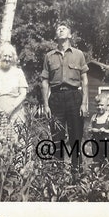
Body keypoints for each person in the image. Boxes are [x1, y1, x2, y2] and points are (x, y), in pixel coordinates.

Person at [41, 21, 89, 173]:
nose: (60, 30)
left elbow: (85, 80)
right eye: (58, 29)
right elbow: (44, 82)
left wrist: (84, 103)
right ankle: (58, 176)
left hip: (74, 97)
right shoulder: (49, 56)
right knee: (57, 139)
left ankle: (77, 175)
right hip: (55, 98)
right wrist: (46, 105)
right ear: (56, 36)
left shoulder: (79, 54)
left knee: (76, 137)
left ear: (69, 35)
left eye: (64, 29)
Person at [0, 42, 28, 128]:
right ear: (0, 56)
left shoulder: (18, 72)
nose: (7, 59)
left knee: (15, 139)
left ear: (13, 58)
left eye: (10, 56)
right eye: (5, 56)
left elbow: (23, 94)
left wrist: (11, 109)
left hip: (15, 114)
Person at [87, 94, 109, 164]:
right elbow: (89, 129)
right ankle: (96, 173)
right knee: (96, 162)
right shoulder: (94, 117)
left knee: (107, 162)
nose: (99, 107)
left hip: (106, 145)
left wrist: (107, 131)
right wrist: (93, 130)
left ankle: (108, 173)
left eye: (102, 105)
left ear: (106, 105)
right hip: (96, 144)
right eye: (97, 105)